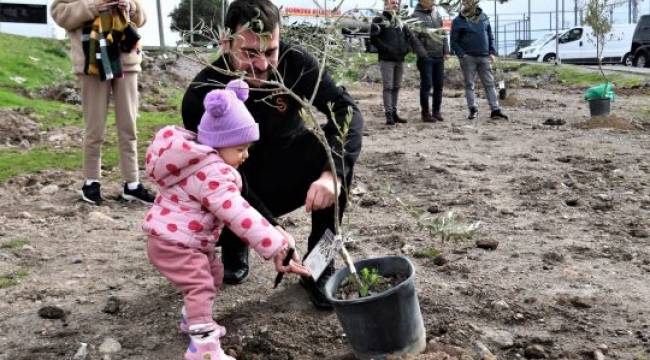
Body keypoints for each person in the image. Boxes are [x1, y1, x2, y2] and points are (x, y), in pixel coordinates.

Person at [182, 0, 364, 310]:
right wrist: (266, 227)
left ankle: (319, 264)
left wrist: (331, 175)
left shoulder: (295, 62)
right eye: (249, 53)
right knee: (213, 182)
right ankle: (234, 240)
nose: (263, 65)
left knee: (335, 160)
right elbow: (212, 174)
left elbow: (346, 110)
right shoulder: (203, 93)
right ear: (227, 43)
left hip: (287, 162)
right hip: (233, 180)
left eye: (270, 51)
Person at [143, 80, 310, 360]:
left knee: (213, 274)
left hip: (181, 240)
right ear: (219, 143)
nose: (245, 156)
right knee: (200, 284)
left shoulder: (199, 161)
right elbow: (238, 214)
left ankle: (193, 318)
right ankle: (203, 348)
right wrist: (275, 244)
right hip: (175, 243)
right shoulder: (212, 173)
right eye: (241, 149)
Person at [51, 0, 155, 205]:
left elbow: (142, 18)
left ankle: (132, 184)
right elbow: (59, 14)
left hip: (126, 59)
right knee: (94, 126)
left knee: (129, 125)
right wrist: (91, 7)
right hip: (91, 62)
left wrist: (131, 7)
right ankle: (91, 182)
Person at [450, 0, 509, 121]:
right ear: (463, 3)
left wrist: (492, 52)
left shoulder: (484, 17)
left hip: (484, 57)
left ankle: (495, 110)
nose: (468, 2)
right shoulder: (458, 21)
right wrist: (462, 55)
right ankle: (473, 110)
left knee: (490, 83)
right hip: (468, 58)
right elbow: (454, 41)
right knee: (469, 84)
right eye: (466, 1)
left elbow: (490, 36)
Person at [370, 0, 417, 125]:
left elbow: (408, 38)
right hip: (386, 60)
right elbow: (374, 38)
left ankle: (395, 113)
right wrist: (387, 49)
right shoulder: (379, 19)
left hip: (400, 59)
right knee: (388, 87)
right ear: (386, 4)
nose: (395, 5)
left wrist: (406, 49)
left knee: (396, 87)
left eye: (397, 3)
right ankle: (389, 114)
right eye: (392, 2)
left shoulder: (401, 21)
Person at [410, 0, 449, 122]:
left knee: (439, 85)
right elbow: (413, 38)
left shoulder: (436, 14)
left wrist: (446, 50)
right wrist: (423, 54)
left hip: (439, 56)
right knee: (426, 85)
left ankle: (436, 111)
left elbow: (443, 32)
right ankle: (425, 113)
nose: (433, 2)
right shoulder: (415, 16)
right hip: (426, 57)